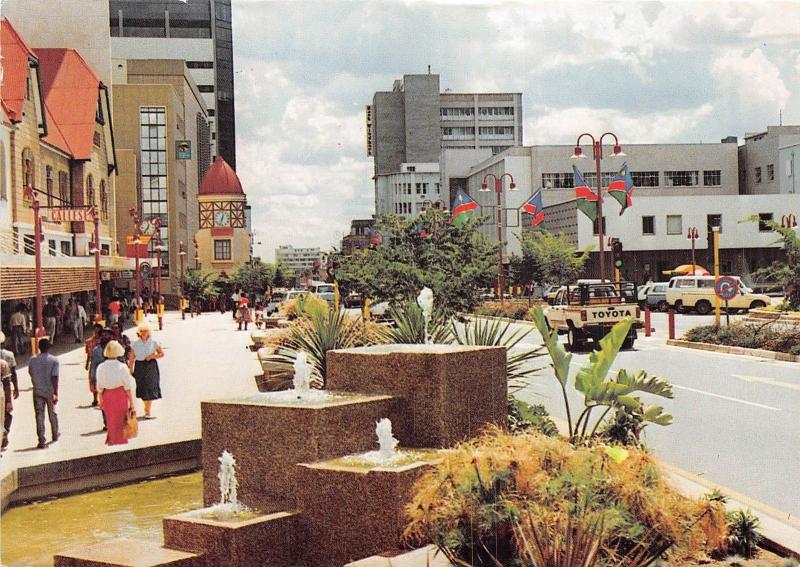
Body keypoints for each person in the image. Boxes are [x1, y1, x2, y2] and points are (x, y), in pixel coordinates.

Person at [96, 341, 136, 446]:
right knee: (121, 418)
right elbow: (127, 386)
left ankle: (112, 440)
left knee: (111, 419)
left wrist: (100, 399)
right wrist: (131, 403)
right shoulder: (122, 367)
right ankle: (121, 440)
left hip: (107, 395)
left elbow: (99, 385)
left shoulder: (101, 367)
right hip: (120, 394)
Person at [28, 338, 60, 449]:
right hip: (49, 390)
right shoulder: (54, 360)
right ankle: (55, 434)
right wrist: (55, 392)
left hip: (37, 390)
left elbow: (30, 373)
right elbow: (55, 377)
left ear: (39, 347)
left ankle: (41, 439)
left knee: (39, 415)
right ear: (48, 348)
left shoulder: (32, 360)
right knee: (52, 413)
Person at [132, 322, 164, 418]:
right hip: (139, 366)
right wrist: (130, 368)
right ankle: (146, 406)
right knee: (142, 387)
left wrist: (152, 356)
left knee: (150, 386)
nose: (144, 333)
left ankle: (148, 411)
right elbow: (132, 356)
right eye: (142, 331)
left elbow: (161, 354)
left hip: (150, 365)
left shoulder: (154, 342)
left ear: (149, 332)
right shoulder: (135, 343)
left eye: (146, 331)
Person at [0, 332, 19, 451]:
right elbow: (11, 378)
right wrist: (9, 400)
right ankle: (4, 435)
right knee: (4, 418)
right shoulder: (5, 361)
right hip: (1, 395)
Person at [88, 327, 113, 407]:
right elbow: (94, 364)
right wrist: (93, 376)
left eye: (107, 334)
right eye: (103, 334)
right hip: (101, 374)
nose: (105, 336)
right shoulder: (96, 349)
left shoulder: (115, 347)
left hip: (112, 374)